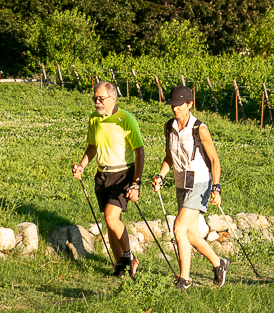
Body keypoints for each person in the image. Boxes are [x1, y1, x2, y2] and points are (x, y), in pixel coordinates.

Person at [152, 85, 229, 290]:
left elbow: (215, 160)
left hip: (200, 183)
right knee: (192, 235)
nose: (175, 108)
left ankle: (184, 279)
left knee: (179, 228)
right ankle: (219, 263)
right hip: (181, 183)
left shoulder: (199, 129)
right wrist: (160, 176)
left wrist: (216, 188)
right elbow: (169, 157)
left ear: (189, 104)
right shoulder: (169, 127)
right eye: (172, 105)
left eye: (179, 105)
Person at [72, 81, 145, 277]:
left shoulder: (125, 119)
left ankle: (130, 258)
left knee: (111, 218)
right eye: (95, 98)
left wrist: (136, 182)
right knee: (111, 223)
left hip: (123, 174)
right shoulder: (94, 118)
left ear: (113, 98)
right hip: (102, 175)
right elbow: (92, 146)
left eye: (101, 98)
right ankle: (120, 264)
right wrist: (82, 166)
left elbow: (139, 151)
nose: (97, 102)